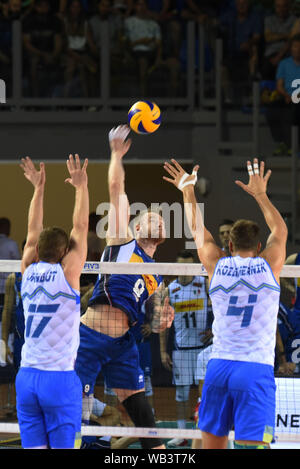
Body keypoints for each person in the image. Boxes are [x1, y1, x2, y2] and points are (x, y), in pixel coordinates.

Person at [163, 157, 287, 449]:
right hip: (254, 369)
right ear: (259, 247)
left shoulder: (216, 265)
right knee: (254, 446)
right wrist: (260, 194)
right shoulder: (269, 265)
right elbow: (280, 231)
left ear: (229, 245)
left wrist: (188, 190)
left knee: (211, 444)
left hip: (219, 367)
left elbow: (196, 228)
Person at [75, 125, 174, 450]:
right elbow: (117, 189)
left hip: (123, 345)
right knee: (78, 408)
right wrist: (116, 154)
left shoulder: (158, 277)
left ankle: (159, 454)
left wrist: (162, 319)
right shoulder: (121, 242)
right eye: (149, 216)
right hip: (89, 337)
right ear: (134, 226)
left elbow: (156, 316)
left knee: (139, 408)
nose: (157, 219)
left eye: (161, 219)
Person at [15, 154, 89, 450]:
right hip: (58, 379)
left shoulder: (26, 269)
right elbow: (81, 227)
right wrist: (81, 188)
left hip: (26, 377)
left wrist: (38, 189)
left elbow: (32, 231)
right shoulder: (68, 274)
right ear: (63, 253)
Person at [159, 250, 211, 448]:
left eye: (189, 267)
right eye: (182, 266)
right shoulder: (170, 290)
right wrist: (163, 351)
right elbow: (164, 324)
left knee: (204, 394)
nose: (186, 271)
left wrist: (214, 331)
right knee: (181, 394)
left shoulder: (204, 283)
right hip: (181, 350)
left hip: (203, 350)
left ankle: (203, 431)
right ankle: (181, 433)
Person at [265, 34, 300, 156]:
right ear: (291, 48)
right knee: (271, 110)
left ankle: (291, 145)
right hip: (286, 97)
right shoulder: (284, 63)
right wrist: (286, 95)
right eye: (295, 46)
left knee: (292, 111)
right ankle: (282, 143)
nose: (298, 49)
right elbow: (279, 85)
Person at [261, 0, 295, 80]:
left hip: (288, 55)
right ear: (275, 7)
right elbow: (268, 37)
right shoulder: (269, 20)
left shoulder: (295, 20)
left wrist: (279, 57)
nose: (281, 9)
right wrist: (286, 35)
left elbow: (292, 40)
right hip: (271, 54)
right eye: (278, 6)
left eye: (284, 6)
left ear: (288, 7)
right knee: (266, 69)